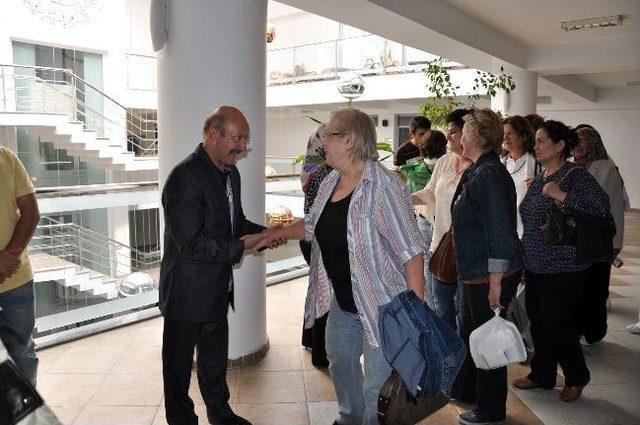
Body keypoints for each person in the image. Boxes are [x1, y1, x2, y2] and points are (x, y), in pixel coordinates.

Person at [272, 108, 425, 425]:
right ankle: (349, 418)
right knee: (340, 362)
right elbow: (312, 224)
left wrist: (415, 318)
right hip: (344, 301)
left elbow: (411, 254)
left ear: (350, 140)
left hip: (384, 308)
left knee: (376, 387)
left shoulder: (384, 188)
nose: (321, 141)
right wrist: (271, 234)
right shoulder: (329, 182)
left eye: (327, 135)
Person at [159, 106, 282, 425]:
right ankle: (182, 420)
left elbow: (235, 222)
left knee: (214, 362)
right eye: (238, 138)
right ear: (214, 134)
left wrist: (264, 234)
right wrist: (242, 246)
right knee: (177, 369)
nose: (242, 147)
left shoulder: (231, 173)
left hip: (217, 288)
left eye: (245, 140)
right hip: (185, 293)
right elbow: (190, 243)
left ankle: (220, 412)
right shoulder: (184, 177)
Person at [514, 120, 610, 403]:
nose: (536, 145)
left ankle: (577, 375)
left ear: (560, 146)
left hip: (564, 264)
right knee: (539, 320)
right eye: (536, 140)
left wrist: (562, 195)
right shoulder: (542, 175)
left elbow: (601, 207)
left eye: (542, 141)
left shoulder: (575, 175)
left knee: (558, 322)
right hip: (535, 263)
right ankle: (542, 374)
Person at [451, 109, 523, 425]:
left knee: (489, 339)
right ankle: (473, 393)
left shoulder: (489, 174)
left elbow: (499, 229)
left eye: (463, 131)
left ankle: (492, 410)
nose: (459, 136)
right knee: (474, 333)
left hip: (490, 274)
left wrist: (495, 282)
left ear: (476, 137)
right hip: (478, 272)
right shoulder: (480, 170)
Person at [413, 109, 472, 332]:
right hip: (440, 247)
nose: (449, 137)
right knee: (441, 308)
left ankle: (466, 362)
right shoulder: (446, 161)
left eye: (454, 132)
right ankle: (450, 359)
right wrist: (401, 198)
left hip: (467, 252)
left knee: (464, 312)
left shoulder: (482, 167)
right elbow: (430, 193)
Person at [573, 126, 629, 344]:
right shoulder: (569, 166)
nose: (577, 144)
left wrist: (615, 243)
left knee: (595, 289)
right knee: (577, 289)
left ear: (593, 142)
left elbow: (615, 208)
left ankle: (593, 332)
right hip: (574, 241)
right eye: (574, 140)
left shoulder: (606, 169)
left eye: (582, 140)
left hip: (598, 241)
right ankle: (577, 328)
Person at [0, 146, 40, 388]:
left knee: (22, 355)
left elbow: (31, 213)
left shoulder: (7, 157)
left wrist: (8, 258)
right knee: (22, 353)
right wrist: (8, 259)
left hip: (17, 279)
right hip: (16, 274)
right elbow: (30, 213)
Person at [299, 124, 331, 368]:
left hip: (309, 239)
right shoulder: (326, 173)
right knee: (326, 296)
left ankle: (311, 340)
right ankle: (322, 352)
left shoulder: (311, 168)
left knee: (317, 289)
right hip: (319, 240)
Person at [502, 116, 538, 237]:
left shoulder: (537, 163)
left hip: (529, 231)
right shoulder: (500, 164)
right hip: (504, 230)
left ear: (523, 136)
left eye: (510, 133)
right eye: (503, 134)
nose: (505, 138)